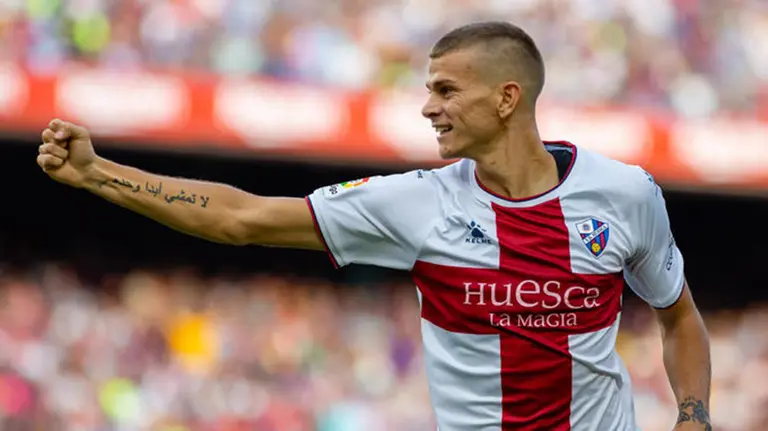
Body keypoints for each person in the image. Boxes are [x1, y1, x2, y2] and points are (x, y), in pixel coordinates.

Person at [36, 21, 711, 431]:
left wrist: (693, 414)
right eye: (427, 89)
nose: (427, 108)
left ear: (508, 98)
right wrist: (100, 175)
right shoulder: (413, 203)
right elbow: (244, 218)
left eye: (445, 89)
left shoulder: (624, 193)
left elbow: (678, 317)